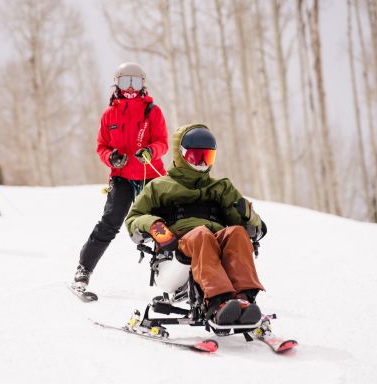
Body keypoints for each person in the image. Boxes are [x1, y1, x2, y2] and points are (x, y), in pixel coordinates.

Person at [125, 124, 266, 326]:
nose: (201, 164)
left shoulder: (221, 187)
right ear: (181, 155)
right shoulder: (159, 186)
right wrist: (154, 225)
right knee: (201, 235)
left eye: (206, 158)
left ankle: (244, 301)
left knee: (235, 233)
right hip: (176, 251)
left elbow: (254, 230)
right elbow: (133, 219)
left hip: (214, 246)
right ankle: (218, 303)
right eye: (195, 157)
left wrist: (249, 217)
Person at [72, 62, 169, 291]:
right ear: (116, 83)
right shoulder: (110, 114)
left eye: (136, 81)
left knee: (162, 222)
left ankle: (173, 272)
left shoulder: (152, 111)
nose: (131, 87)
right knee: (110, 222)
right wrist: (111, 157)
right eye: (126, 81)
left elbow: (162, 142)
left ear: (143, 84)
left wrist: (150, 151)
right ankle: (84, 269)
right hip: (122, 176)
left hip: (149, 175)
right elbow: (101, 146)